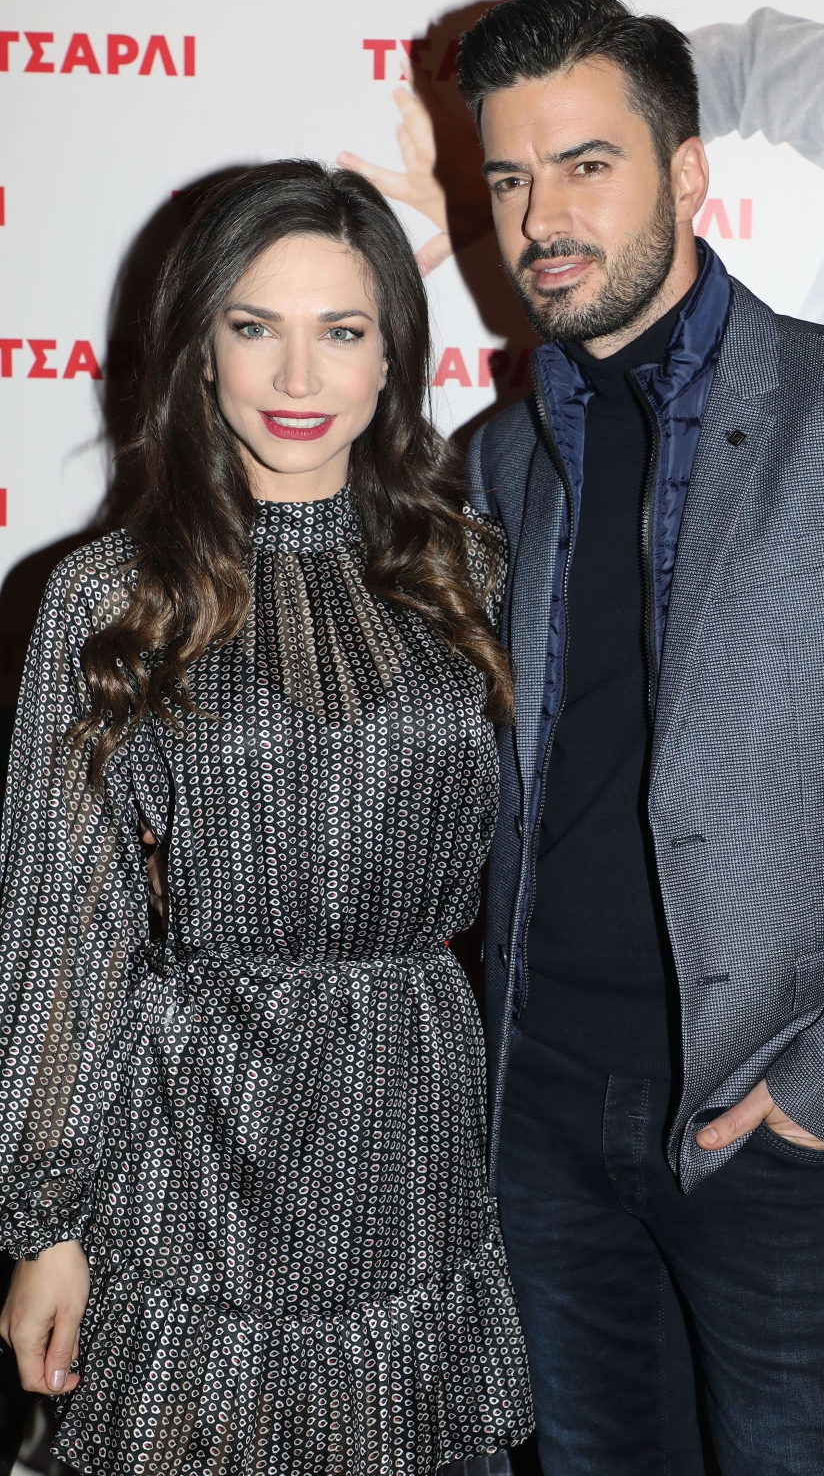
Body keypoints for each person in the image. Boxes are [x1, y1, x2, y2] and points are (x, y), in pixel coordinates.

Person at [447, 0, 824, 1476]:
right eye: (509, 178)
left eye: (587, 164)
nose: (541, 217)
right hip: (543, 1117)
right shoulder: (497, 460)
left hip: (774, 1113)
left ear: (688, 172)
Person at [0, 160, 532, 1476]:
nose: (298, 377)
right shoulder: (110, 595)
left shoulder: (474, 573)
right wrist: (45, 1222)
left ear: (393, 357)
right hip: (194, 1141)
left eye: (341, 331)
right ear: (201, 349)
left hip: (415, 1128)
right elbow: (63, 931)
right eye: (256, 327)